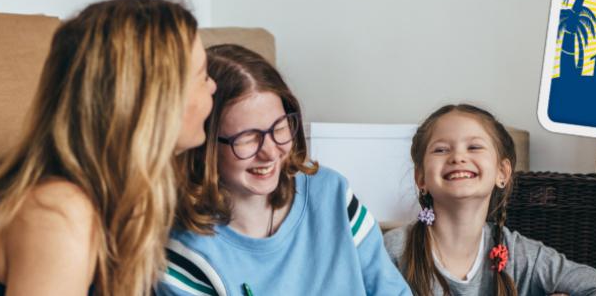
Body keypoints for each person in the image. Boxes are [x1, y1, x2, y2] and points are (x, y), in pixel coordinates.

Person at [0, 0, 217, 296]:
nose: (213, 86)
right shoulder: (58, 212)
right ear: (156, 102)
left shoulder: (114, 206)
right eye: (202, 76)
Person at [160, 44, 411, 296]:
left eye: (279, 127)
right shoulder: (185, 253)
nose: (270, 152)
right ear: (205, 146)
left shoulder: (332, 194)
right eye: (248, 137)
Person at [384, 104, 596, 296]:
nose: (458, 156)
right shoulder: (393, 250)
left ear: (502, 173)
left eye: (474, 147)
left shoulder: (523, 256)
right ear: (421, 178)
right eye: (441, 149)